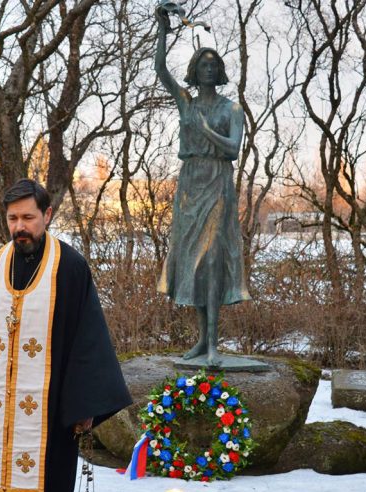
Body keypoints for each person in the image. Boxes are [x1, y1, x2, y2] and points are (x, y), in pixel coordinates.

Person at [0, 178, 132, 492]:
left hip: (49, 419)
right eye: (13, 218)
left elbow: (87, 342)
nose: (20, 227)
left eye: (28, 218)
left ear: (47, 215)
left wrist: (85, 406)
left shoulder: (70, 268)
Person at [154, 9, 251, 367]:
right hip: (190, 183)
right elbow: (160, 71)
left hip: (217, 180)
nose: (209, 68)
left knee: (211, 259)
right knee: (191, 261)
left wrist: (209, 130)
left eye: (214, 64)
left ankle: (213, 344)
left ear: (219, 71)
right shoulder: (186, 101)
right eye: (203, 64)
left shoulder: (232, 108)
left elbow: (233, 148)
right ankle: (199, 340)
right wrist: (162, 30)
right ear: (195, 71)